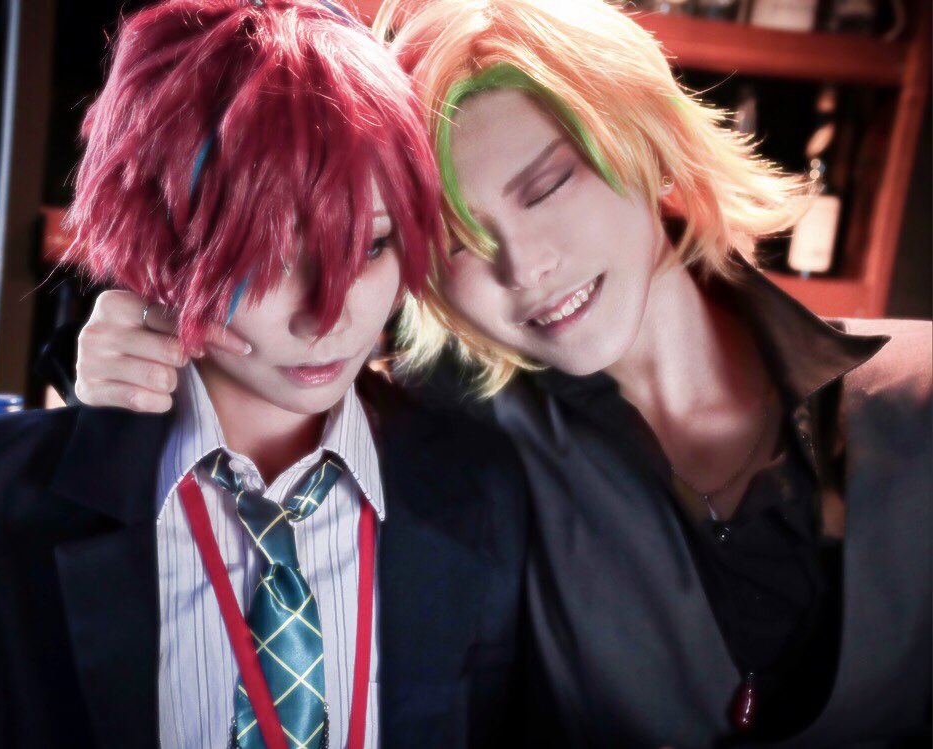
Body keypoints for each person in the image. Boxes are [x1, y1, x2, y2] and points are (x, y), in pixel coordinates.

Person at [71, 0, 932, 746]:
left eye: (547, 185)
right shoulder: (451, 437)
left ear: (651, 144)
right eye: (459, 242)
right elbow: (261, 362)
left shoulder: (918, 394)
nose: (525, 266)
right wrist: (134, 333)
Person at [0, 2, 531, 747]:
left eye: (370, 246)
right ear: (157, 243)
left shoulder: (479, 490)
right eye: (268, 257)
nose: (328, 315)